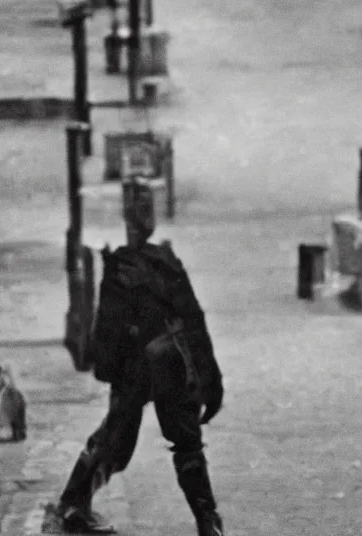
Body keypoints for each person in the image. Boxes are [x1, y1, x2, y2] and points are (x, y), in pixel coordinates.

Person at [56, 181, 225, 536]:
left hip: (166, 360)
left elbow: (192, 320)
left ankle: (207, 519)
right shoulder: (127, 266)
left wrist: (209, 378)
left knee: (181, 440)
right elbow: (112, 329)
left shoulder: (162, 264)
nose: (140, 220)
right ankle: (74, 504)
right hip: (138, 364)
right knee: (116, 441)